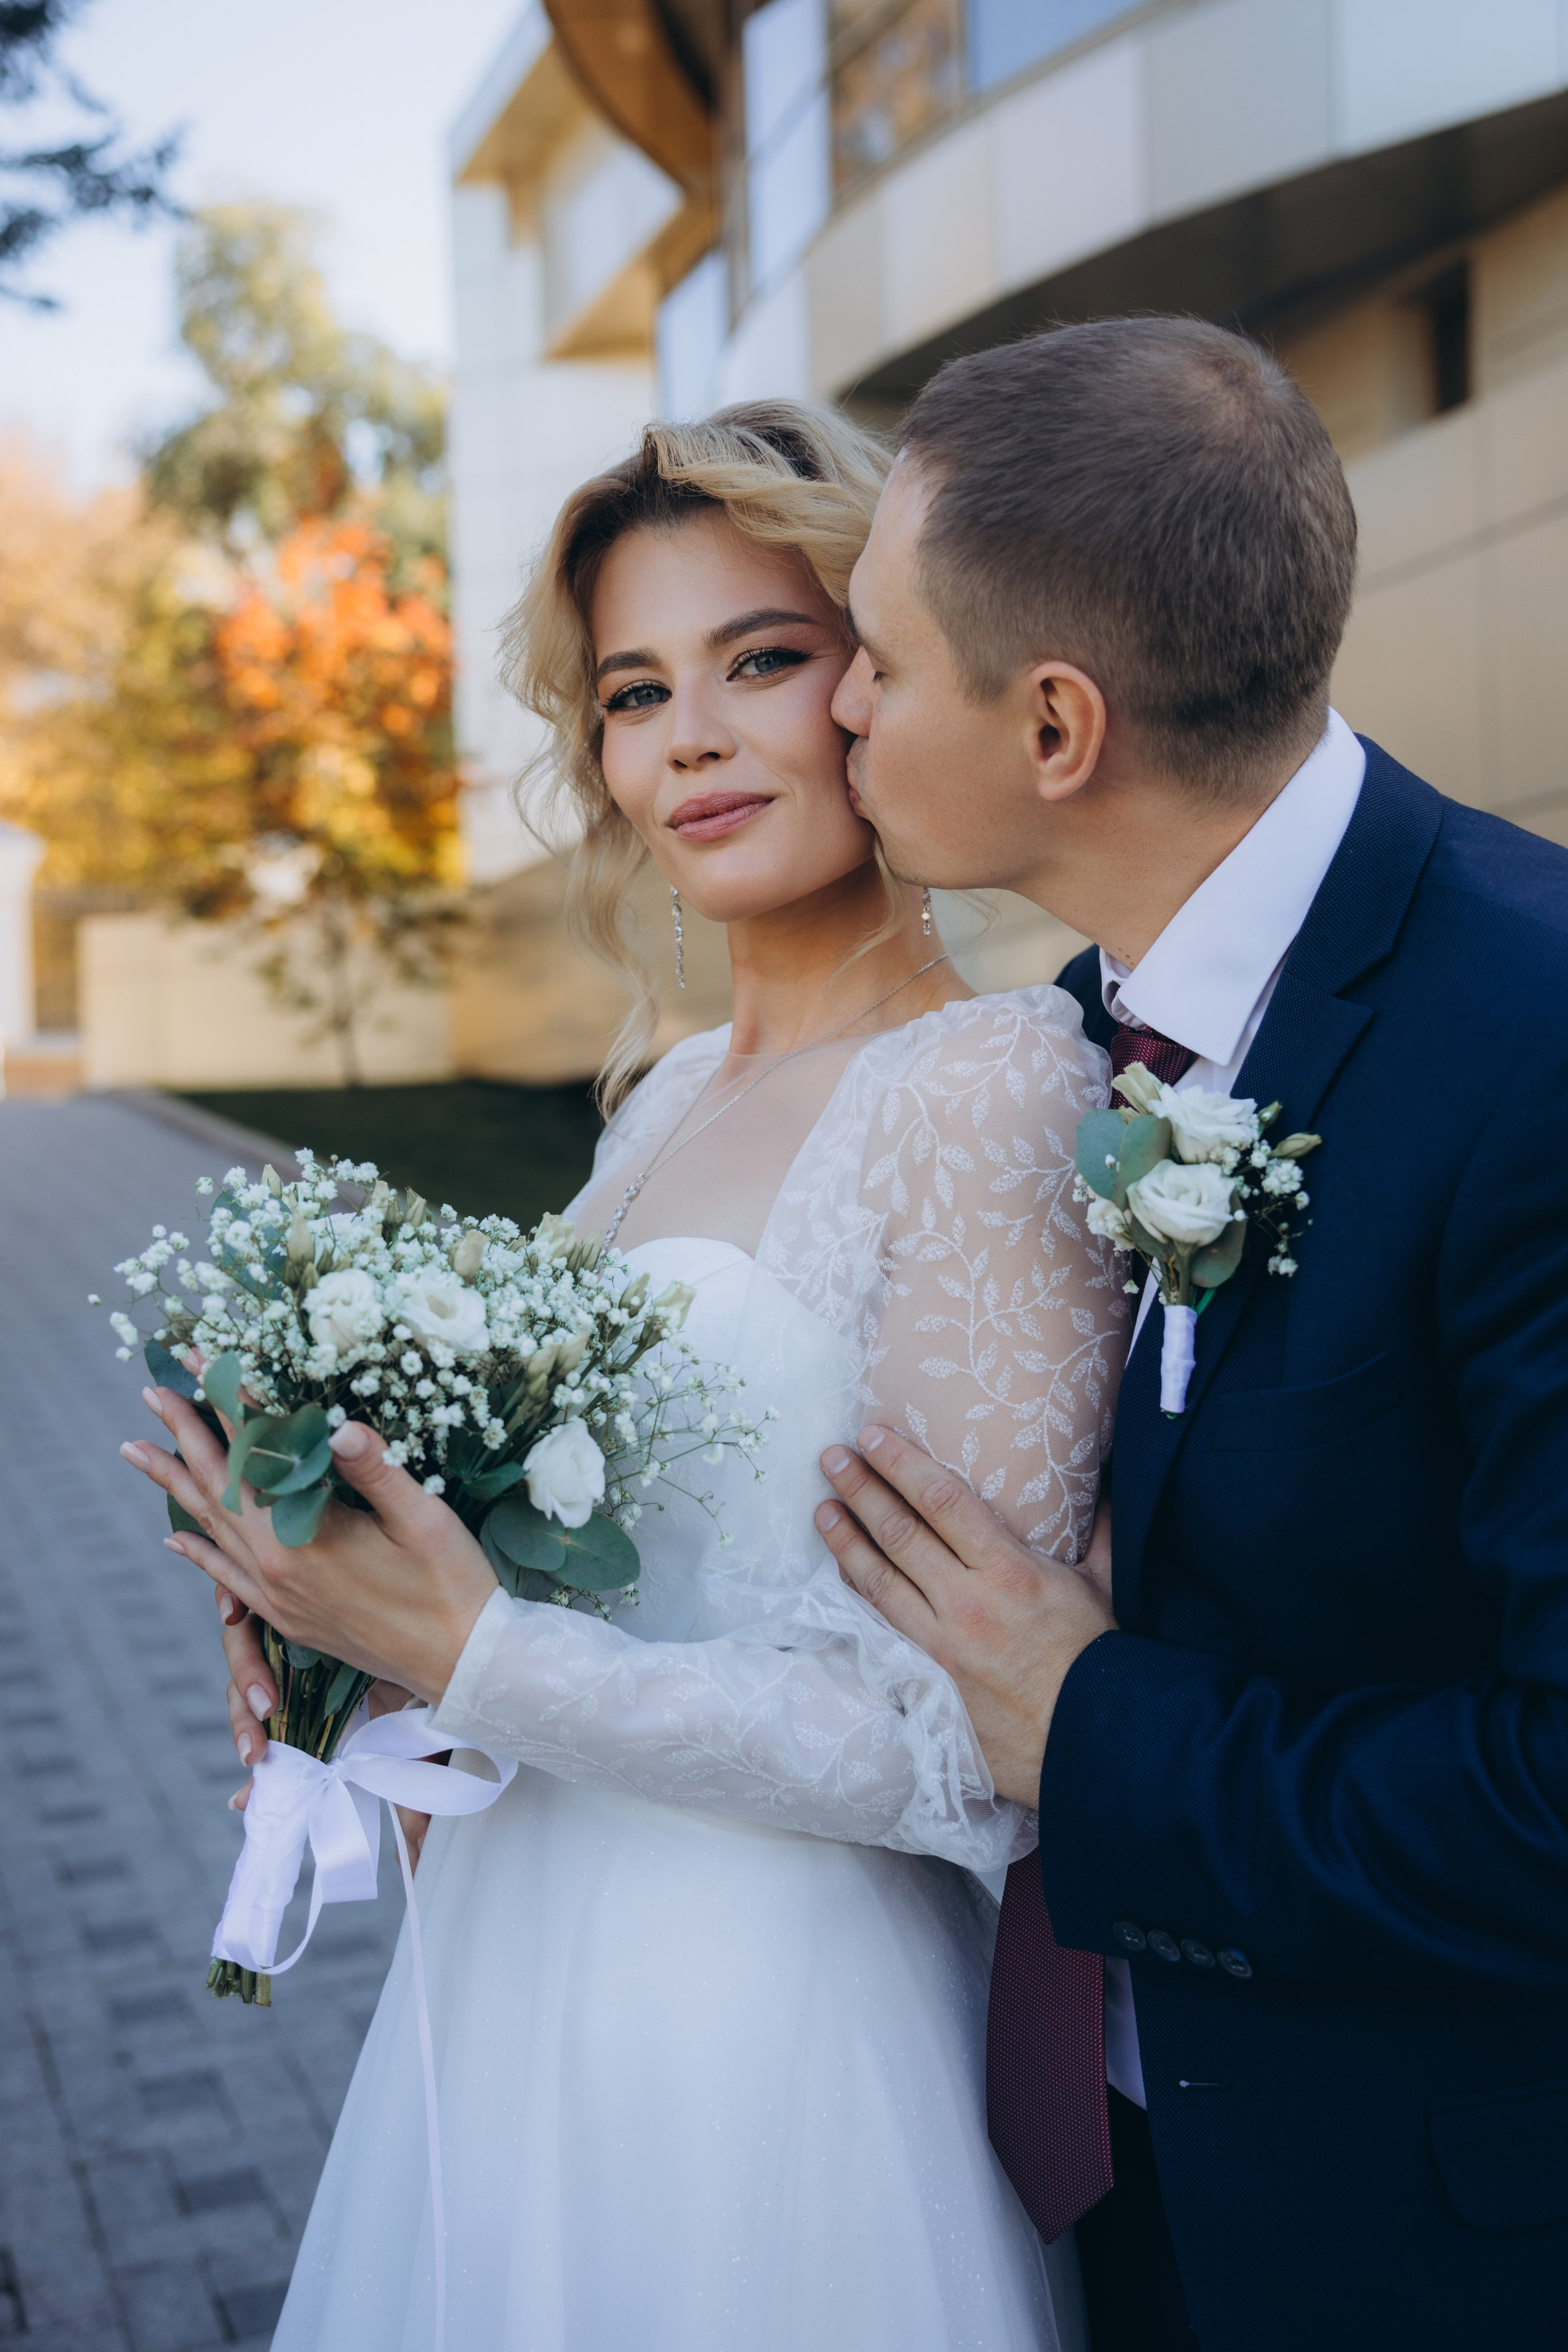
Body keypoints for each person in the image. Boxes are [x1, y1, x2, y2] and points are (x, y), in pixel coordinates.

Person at [121, 402, 1127, 2352]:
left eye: (765, 658)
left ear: (881, 676)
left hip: (777, 2022)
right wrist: (357, 1653)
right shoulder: (663, 1092)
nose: (694, 736)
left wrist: (482, 1650)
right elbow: (587, 1569)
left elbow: (957, 1742)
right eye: (636, 688)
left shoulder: (995, 1087)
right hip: (523, 1963)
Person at [807, 317, 1568, 2351]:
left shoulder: (1537, 1048)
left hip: (1421, 2251)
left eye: (876, 654)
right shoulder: (1070, 1040)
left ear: (1058, 727)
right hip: (1105, 2188)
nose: (842, 710)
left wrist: (1101, 1727)